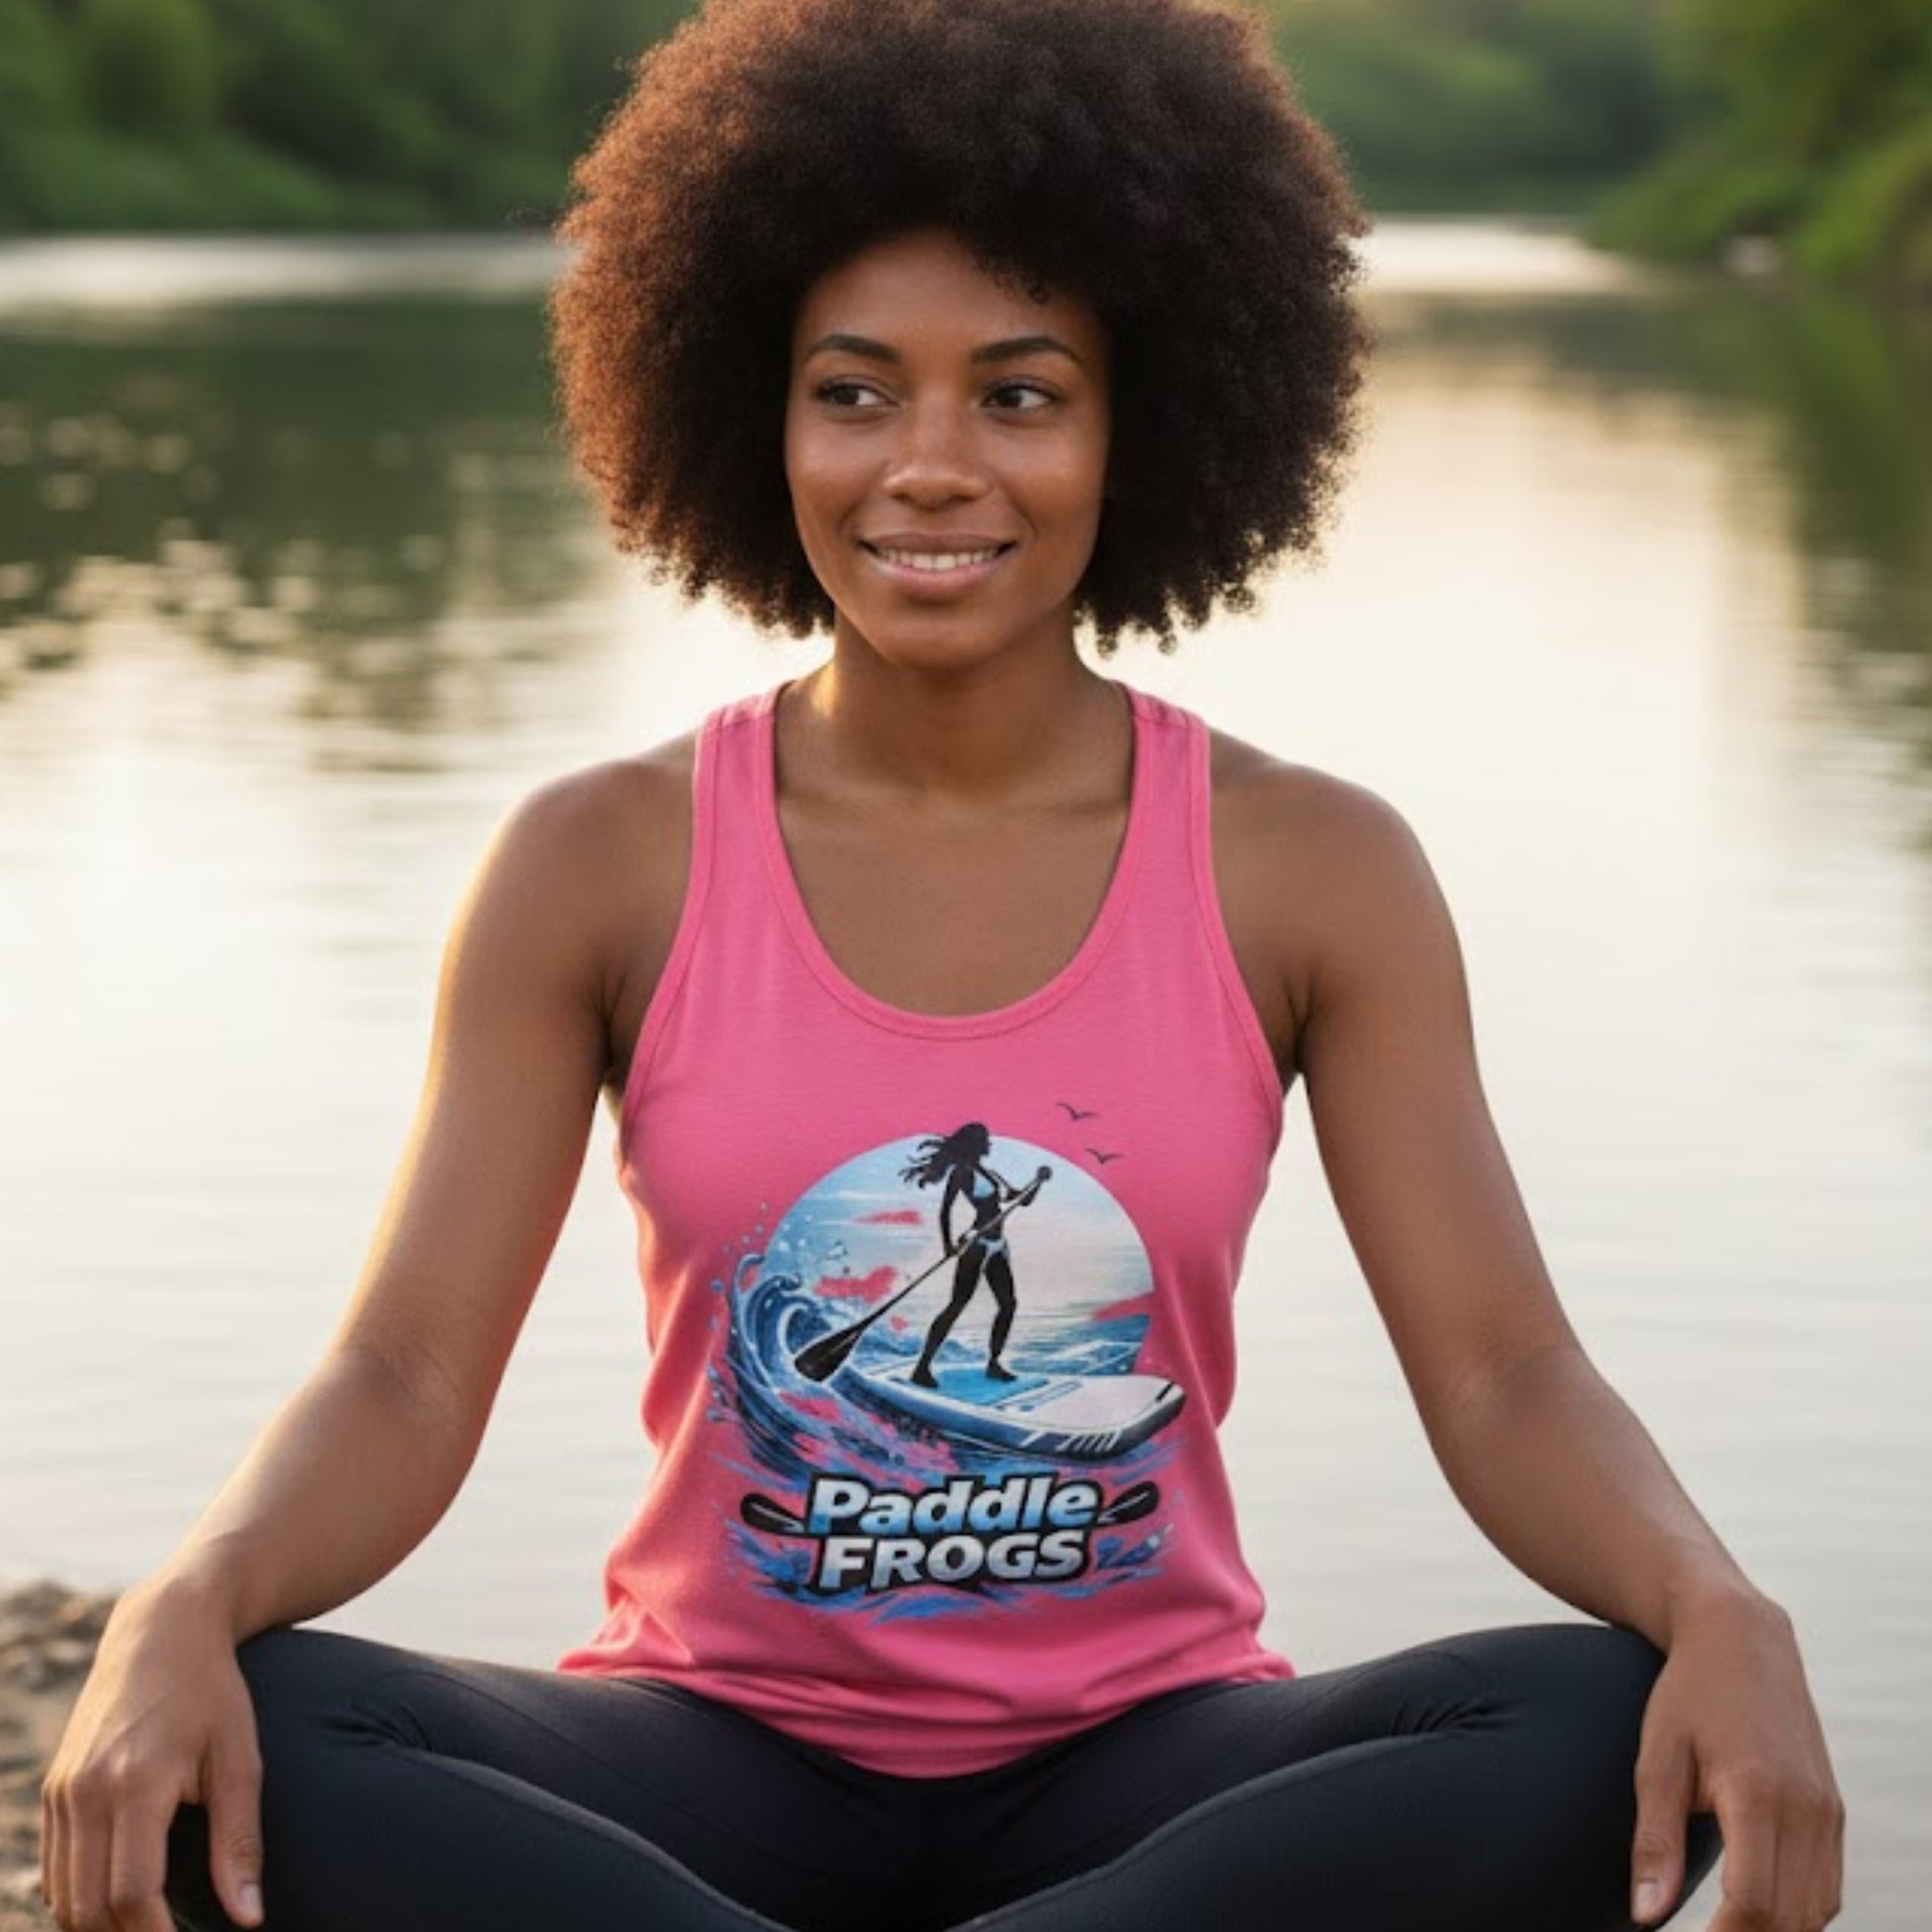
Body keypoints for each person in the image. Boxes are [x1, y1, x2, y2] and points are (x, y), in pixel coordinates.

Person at [39, 1, 1844, 1928]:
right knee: (262, 1721)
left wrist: (1719, 1600)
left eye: (1016, 391)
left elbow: (1501, 1375)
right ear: (753, 410)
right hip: (705, 1757)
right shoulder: (599, 861)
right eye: (852, 389)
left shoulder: (1310, 867)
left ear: (1136, 419)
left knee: (1604, 1711)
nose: (925, 466)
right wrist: (186, 1598)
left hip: (1147, 1768)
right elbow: (400, 1375)